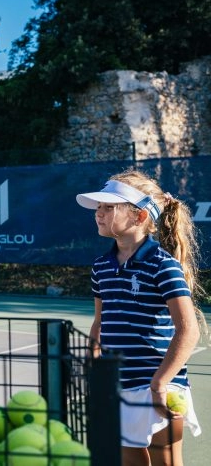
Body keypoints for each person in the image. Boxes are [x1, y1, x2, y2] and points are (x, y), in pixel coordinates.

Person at [77, 169, 204, 465]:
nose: (99, 213)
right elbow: (101, 321)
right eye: (99, 207)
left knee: (166, 461)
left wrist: (160, 383)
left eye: (109, 207)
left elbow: (189, 331)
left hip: (161, 385)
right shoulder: (101, 267)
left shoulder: (164, 266)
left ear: (139, 217)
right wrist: (96, 369)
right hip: (119, 384)